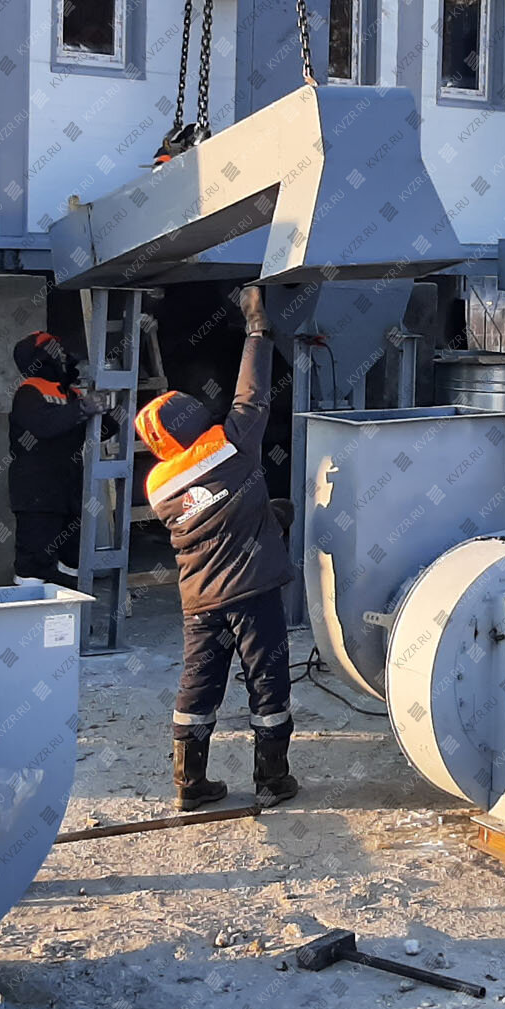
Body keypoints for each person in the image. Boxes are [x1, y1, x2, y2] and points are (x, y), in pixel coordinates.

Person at [134, 287, 298, 811]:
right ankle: (272, 780)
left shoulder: (159, 487)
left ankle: (190, 783)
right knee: (267, 683)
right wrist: (257, 328)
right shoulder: (232, 446)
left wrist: (264, 517)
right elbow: (253, 394)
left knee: (199, 685)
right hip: (253, 594)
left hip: (200, 602)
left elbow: (215, 515)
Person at [9, 332, 111, 585]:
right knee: (34, 565)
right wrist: (83, 409)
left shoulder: (71, 393)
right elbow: (44, 425)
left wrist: (112, 408)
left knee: (73, 560)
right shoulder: (29, 392)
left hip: (69, 490)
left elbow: (102, 430)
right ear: (39, 358)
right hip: (37, 493)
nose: (63, 353)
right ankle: (29, 608)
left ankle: (68, 608)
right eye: (54, 349)